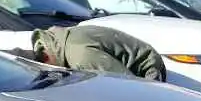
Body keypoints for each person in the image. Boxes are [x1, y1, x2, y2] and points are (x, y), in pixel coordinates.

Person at [24, 24, 166, 80]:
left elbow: (125, 84)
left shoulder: (81, 57)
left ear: (45, 60)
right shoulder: (59, 40)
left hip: (148, 70)